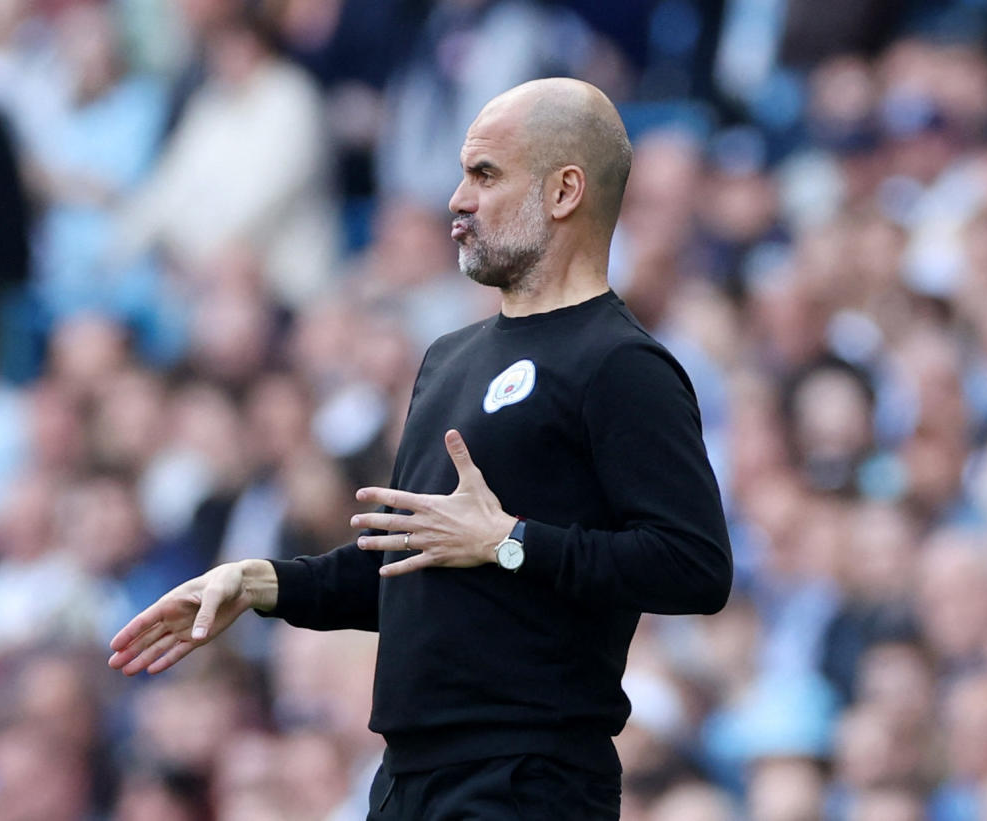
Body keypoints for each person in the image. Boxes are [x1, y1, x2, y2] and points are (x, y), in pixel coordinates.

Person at [108, 78, 733, 819]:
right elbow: (410, 570)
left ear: (565, 191)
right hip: (406, 778)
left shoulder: (621, 363)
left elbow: (694, 567)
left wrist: (510, 543)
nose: (456, 199)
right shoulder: (447, 358)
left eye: (485, 174)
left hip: (528, 780)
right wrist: (261, 581)